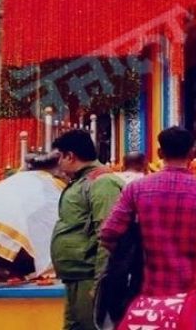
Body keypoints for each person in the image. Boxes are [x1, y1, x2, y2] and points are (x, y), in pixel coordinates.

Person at [100, 126, 196, 330]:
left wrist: (129, 254)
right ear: (192, 153)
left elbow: (108, 233)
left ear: (160, 153)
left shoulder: (136, 189)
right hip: (195, 296)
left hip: (151, 294)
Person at [50, 130, 124, 330]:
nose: (58, 164)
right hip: (76, 275)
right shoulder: (82, 181)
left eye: (60, 157)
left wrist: (100, 283)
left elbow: (108, 235)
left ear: (70, 156)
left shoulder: (102, 183)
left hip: (89, 278)